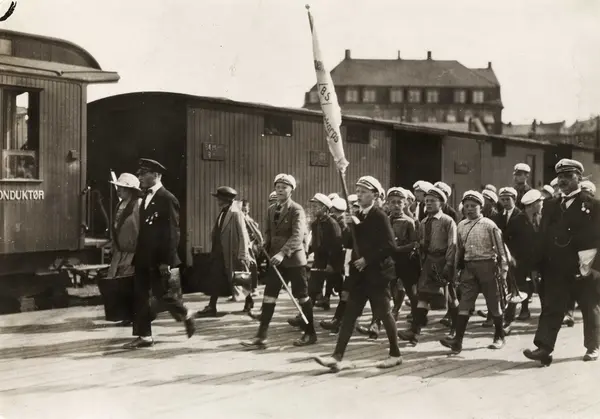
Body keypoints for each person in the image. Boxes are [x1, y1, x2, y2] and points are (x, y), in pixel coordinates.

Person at [313, 176, 402, 371]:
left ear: (375, 195)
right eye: (358, 191)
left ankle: (395, 354)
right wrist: (348, 226)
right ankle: (336, 356)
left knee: (384, 313)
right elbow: (348, 243)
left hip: (377, 274)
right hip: (360, 275)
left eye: (364, 192)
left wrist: (367, 259)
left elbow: (390, 246)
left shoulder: (379, 216)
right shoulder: (357, 214)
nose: (359, 195)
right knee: (350, 314)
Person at [524, 159, 600, 365]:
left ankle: (592, 346)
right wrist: (536, 266)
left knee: (589, 306)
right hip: (556, 267)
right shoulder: (550, 205)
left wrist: (591, 267)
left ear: (579, 178)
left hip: (584, 267)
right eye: (560, 177)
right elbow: (542, 237)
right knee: (552, 307)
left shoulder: (592, 205)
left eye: (568, 176)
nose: (563, 180)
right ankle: (544, 348)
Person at [124, 158, 195, 349]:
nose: (139, 177)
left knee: (162, 294)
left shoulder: (167, 199)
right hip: (143, 257)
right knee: (140, 295)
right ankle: (145, 336)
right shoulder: (146, 197)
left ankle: (185, 313)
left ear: (156, 175)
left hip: (158, 259)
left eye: (143, 174)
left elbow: (172, 233)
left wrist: (166, 261)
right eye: (139, 174)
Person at [242, 174, 316, 348]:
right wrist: (264, 246)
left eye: (284, 187)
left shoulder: (296, 209)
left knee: (302, 296)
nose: (280, 190)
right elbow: (269, 233)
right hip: (275, 260)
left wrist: (283, 253)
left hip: (294, 260)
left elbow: (297, 236)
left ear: (291, 190)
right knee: (269, 296)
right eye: (278, 187)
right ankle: (261, 337)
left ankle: (310, 333)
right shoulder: (271, 209)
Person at [440, 190, 509, 353]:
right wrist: (455, 269)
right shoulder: (461, 225)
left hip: (488, 267)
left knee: (493, 303)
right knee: (465, 303)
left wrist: (503, 271)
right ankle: (457, 341)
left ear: (481, 207)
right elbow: (458, 250)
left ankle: (499, 336)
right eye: (466, 206)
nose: (469, 209)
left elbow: (501, 250)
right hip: (468, 268)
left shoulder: (489, 225)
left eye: (473, 206)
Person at [397, 186, 457, 346]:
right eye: (427, 201)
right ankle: (414, 331)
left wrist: (449, 264)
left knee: (451, 297)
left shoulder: (447, 221)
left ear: (441, 203)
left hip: (443, 261)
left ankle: (456, 330)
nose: (428, 204)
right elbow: (422, 242)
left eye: (433, 201)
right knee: (422, 296)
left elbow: (452, 244)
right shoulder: (423, 222)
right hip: (429, 261)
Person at [196, 187, 252, 318]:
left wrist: (243, 253)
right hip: (219, 252)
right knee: (216, 278)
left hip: (231, 252)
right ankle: (212, 306)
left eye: (219, 198)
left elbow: (243, 234)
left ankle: (249, 301)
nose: (217, 201)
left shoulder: (235, 213)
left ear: (225, 199)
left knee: (240, 277)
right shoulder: (223, 211)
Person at [106, 172, 143, 327]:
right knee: (120, 283)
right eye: (118, 187)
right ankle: (127, 315)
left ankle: (135, 316)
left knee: (130, 284)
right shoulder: (120, 205)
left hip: (133, 252)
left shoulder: (138, 205)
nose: (119, 190)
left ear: (131, 190)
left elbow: (141, 229)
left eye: (122, 188)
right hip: (120, 252)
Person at [503, 189, 543, 329]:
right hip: (520, 261)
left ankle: (541, 317)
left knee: (541, 288)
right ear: (532, 204)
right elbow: (505, 240)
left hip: (537, 261)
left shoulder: (540, 218)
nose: (542, 204)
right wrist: (510, 256)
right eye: (540, 202)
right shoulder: (517, 221)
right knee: (516, 289)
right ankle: (508, 321)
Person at [306, 193, 343, 312]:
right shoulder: (315, 224)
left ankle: (345, 312)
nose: (313, 209)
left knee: (340, 288)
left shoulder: (332, 224)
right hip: (319, 260)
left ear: (324, 208)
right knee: (312, 288)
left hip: (332, 261)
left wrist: (331, 264)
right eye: (312, 206)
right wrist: (306, 253)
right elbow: (314, 243)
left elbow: (337, 246)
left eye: (316, 206)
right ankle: (305, 316)